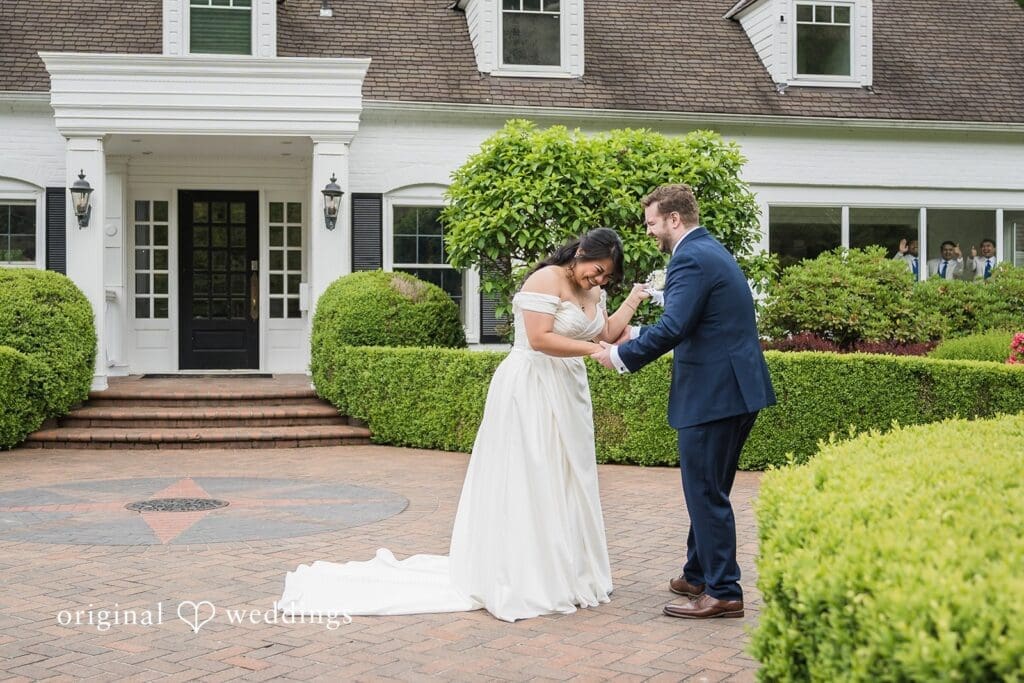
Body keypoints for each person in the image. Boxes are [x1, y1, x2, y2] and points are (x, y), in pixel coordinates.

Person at [279, 227, 649, 622]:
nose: (598, 280)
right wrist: (598, 349)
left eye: (606, 276)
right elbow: (540, 339)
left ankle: (567, 571)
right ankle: (524, 573)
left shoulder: (595, 292)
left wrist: (631, 300)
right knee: (532, 473)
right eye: (596, 271)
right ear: (579, 252)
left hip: (569, 390)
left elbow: (605, 332)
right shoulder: (545, 279)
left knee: (568, 476)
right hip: (532, 385)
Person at [591, 184, 776, 620]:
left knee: (706, 491)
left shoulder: (690, 257)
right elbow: (696, 324)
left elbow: (674, 326)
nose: (650, 232)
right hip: (733, 389)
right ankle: (698, 574)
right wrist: (634, 335)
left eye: (653, 223)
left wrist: (619, 356)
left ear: (674, 219)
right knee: (710, 488)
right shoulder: (709, 250)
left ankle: (725, 591)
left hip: (715, 394)